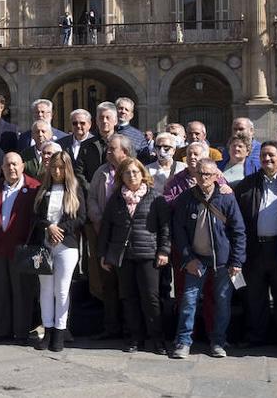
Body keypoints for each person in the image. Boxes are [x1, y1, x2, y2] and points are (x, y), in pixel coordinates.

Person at [232, 139, 277, 352]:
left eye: (272, 155)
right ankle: (255, 337)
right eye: (263, 155)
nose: (267, 159)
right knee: (254, 297)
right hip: (254, 249)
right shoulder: (247, 184)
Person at [171, 158, 245, 359]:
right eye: (200, 173)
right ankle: (183, 342)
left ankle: (218, 342)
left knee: (222, 302)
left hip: (222, 262)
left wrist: (237, 261)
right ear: (195, 175)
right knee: (188, 301)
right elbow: (178, 231)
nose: (204, 178)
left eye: (208, 174)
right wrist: (188, 258)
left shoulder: (227, 198)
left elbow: (238, 231)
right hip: (196, 260)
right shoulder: (186, 198)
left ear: (216, 176)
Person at [99, 157, 170, 354]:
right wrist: (103, 254)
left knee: (151, 298)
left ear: (142, 174)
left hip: (148, 254)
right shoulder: (116, 199)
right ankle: (134, 338)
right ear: (121, 176)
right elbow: (106, 227)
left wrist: (164, 250)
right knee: (128, 297)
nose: (132, 176)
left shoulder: (156, 197)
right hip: (123, 254)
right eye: (127, 172)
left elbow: (165, 227)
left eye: (135, 172)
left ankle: (157, 339)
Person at [32, 150, 82, 350]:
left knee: (61, 291)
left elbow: (81, 217)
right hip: (44, 246)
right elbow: (34, 216)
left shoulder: (75, 190)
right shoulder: (44, 190)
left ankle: (60, 333)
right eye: (53, 167)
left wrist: (60, 229)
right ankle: (48, 330)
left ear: (67, 168)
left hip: (66, 246)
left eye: (60, 167)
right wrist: (48, 227)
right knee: (45, 289)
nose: (56, 171)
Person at [87, 133, 134, 340]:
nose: (107, 151)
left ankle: (130, 327)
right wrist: (97, 220)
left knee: (128, 284)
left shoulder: (134, 170)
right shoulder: (101, 172)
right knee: (108, 282)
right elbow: (92, 199)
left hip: (127, 236)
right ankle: (111, 327)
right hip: (103, 234)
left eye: (111, 148)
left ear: (124, 152)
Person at [66, 109, 103, 183]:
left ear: (89, 124)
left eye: (82, 123)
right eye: (75, 123)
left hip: (90, 188)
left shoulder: (97, 144)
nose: (78, 126)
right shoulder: (61, 143)